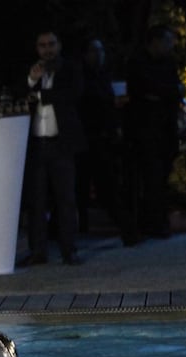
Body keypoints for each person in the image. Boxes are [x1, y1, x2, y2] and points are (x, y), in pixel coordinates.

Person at [19, 30, 86, 267]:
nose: (47, 49)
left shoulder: (70, 69)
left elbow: (70, 95)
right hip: (37, 144)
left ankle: (69, 250)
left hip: (61, 144)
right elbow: (21, 95)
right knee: (36, 201)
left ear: (59, 46)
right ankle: (38, 250)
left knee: (66, 199)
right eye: (42, 45)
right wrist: (31, 81)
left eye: (51, 44)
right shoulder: (33, 71)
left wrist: (38, 94)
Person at [77, 38, 136, 245]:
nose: (99, 55)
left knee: (107, 187)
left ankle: (127, 230)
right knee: (96, 187)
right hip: (87, 138)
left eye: (101, 51)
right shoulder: (82, 77)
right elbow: (89, 103)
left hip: (102, 139)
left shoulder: (102, 75)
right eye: (94, 51)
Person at [125, 24, 181, 241]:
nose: (170, 46)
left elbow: (171, 90)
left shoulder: (168, 63)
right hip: (145, 130)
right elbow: (147, 90)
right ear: (155, 42)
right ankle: (152, 223)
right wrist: (165, 92)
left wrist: (165, 93)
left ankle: (157, 220)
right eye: (167, 41)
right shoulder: (137, 62)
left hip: (165, 128)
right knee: (150, 177)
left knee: (162, 176)